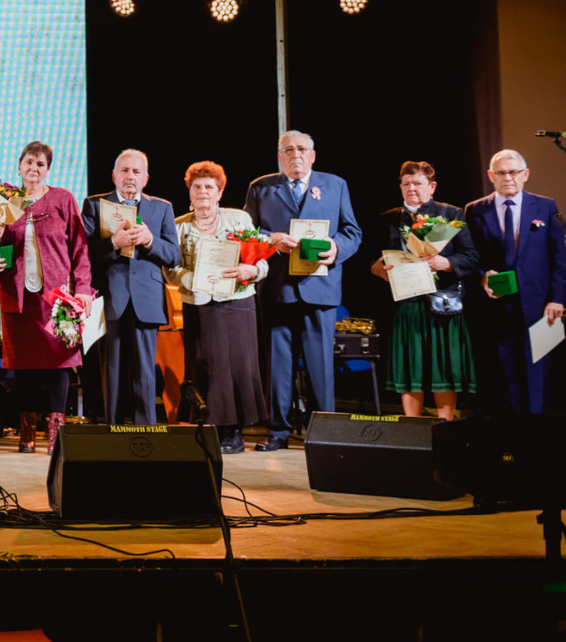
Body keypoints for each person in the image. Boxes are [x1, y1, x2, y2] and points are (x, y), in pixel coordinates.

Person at [243, 130, 361, 451]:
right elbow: (247, 232)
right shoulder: (260, 187)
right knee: (278, 364)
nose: (296, 155)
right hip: (277, 288)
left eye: (301, 149)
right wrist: (272, 239)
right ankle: (278, 432)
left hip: (320, 287)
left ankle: (324, 431)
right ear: (279, 156)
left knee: (320, 364)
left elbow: (352, 231)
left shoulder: (335, 185)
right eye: (289, 150)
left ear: (313, 155)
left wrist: (336, 248)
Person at [0, 141, 94, 454]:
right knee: (23, 363)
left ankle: (55, 430)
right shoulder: (5, 202)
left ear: (48, 169)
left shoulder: (63, 198)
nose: (34, 169)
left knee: (59, 361)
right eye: (29, 162)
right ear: (19, 166)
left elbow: (80, 248)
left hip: (57, 297)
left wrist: (83, 288)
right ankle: (27, 428)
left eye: (40, 164)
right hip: (18, 295)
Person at [164, 161, 268, 452]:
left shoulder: (239, 219)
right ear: (189, 191)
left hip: (237, 302)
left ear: (220, 192)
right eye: (197, 186)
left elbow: (261, 259)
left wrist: (253, 271)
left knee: (238, 366)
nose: (203, 192)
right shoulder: (178, 225)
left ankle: (233, 433)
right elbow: (170, 268)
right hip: (198, 305)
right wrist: (193, 280)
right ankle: (209, 428)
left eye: (209, 187)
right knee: (206, 367)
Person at [368, 161, 479, 420]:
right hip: (406, 305)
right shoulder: (388, 218)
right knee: (410, 370)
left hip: (443, 304)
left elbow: (471, 255)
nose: (411, 188)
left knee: (444, 369)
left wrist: (446, 263)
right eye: (406, 184)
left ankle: (445, 426)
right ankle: (411, 429)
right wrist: (375, 269)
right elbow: (370, 259)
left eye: (418, 183)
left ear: (432, 186)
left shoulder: (451, 214)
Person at [81, 149, 180, 425]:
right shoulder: (94, 204)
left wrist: (150, 240)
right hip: (109, 296)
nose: (130, 176)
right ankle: (112, 429)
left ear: (145, 178)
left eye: (136, 171)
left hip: (146, 299)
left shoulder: (162, 207)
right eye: (124, 170)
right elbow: (83, 252)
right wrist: (114, 243)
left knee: (145, 372)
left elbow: (174, 256)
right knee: (110, 370)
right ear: (114, 176)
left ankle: (145, 431)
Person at [463, 149, 565, 414]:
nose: (508, 178)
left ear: (525, 174)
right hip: (495, 305)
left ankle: (537, 433)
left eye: (513, 172)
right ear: (491, 176)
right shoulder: (474, 210)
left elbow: (560, 257)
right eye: (501, 173)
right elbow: (468, 256)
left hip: (540, 306)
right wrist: (481, 276)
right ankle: (507, 434)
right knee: (502, 376)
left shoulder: (546, 207)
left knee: (539, 375)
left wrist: (557, 298)